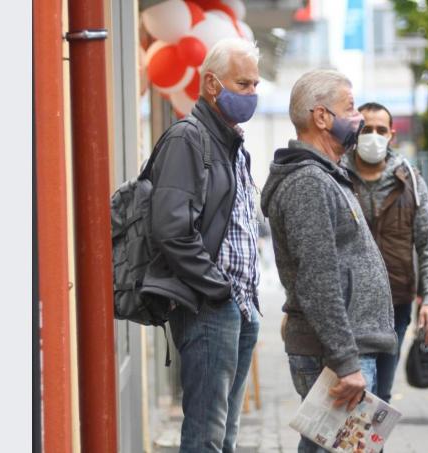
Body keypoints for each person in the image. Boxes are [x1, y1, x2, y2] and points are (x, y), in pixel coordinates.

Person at [260, 70, 397, 453]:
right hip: (336, 354)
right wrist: (346, 361)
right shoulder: (309, 183)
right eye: (350, 108)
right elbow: (318, 279)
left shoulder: (326, 176)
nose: (358, 118)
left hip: (345, 348)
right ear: (321, 116)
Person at [145, 38, 262, 453]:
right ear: (212, 84)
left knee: (225, 433)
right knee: (206, 436)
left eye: (255, 84)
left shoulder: (232, 144)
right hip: (209, 307)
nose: (252, 93)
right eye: (243, 84)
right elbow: (172, 230)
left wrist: (241, 300)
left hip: (238, 307)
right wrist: (218, 290)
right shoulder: (188, 139)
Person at [340, 102, 428, 404]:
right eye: (366, 129)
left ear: (391, 135)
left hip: (395, 302)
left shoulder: (410, 181)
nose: (373, 136)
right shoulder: (336, 176)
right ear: (354, 132)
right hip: (347, 304)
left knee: (380, 395)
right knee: (356, 391)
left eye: (380, 130)